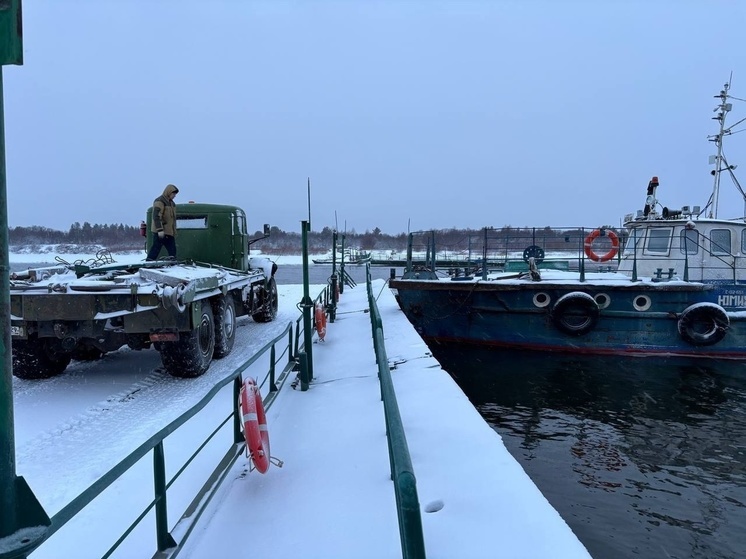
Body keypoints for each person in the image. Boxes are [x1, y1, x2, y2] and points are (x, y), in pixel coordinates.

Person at [146, 184, 179, 261]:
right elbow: (156, 216)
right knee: (156, 247)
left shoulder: (172, 203)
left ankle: (172, 262)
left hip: (169, 232)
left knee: (172, 249)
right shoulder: (160, 201)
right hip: (160, 231)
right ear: (168, 192)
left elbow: (172, 219)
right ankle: (149, 261)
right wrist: (160, 230)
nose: (174, 196)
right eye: (173, 194)